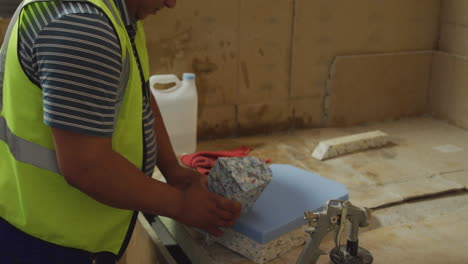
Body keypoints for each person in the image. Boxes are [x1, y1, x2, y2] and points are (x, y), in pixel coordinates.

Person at [0, 0, 242, 263]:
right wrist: (181, 205)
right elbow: (88, 168)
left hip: (59, 229)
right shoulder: (83, 28)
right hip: (45, 244)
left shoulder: (117, 13)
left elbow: (138, 95)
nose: (172, 3)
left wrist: (172, 168)